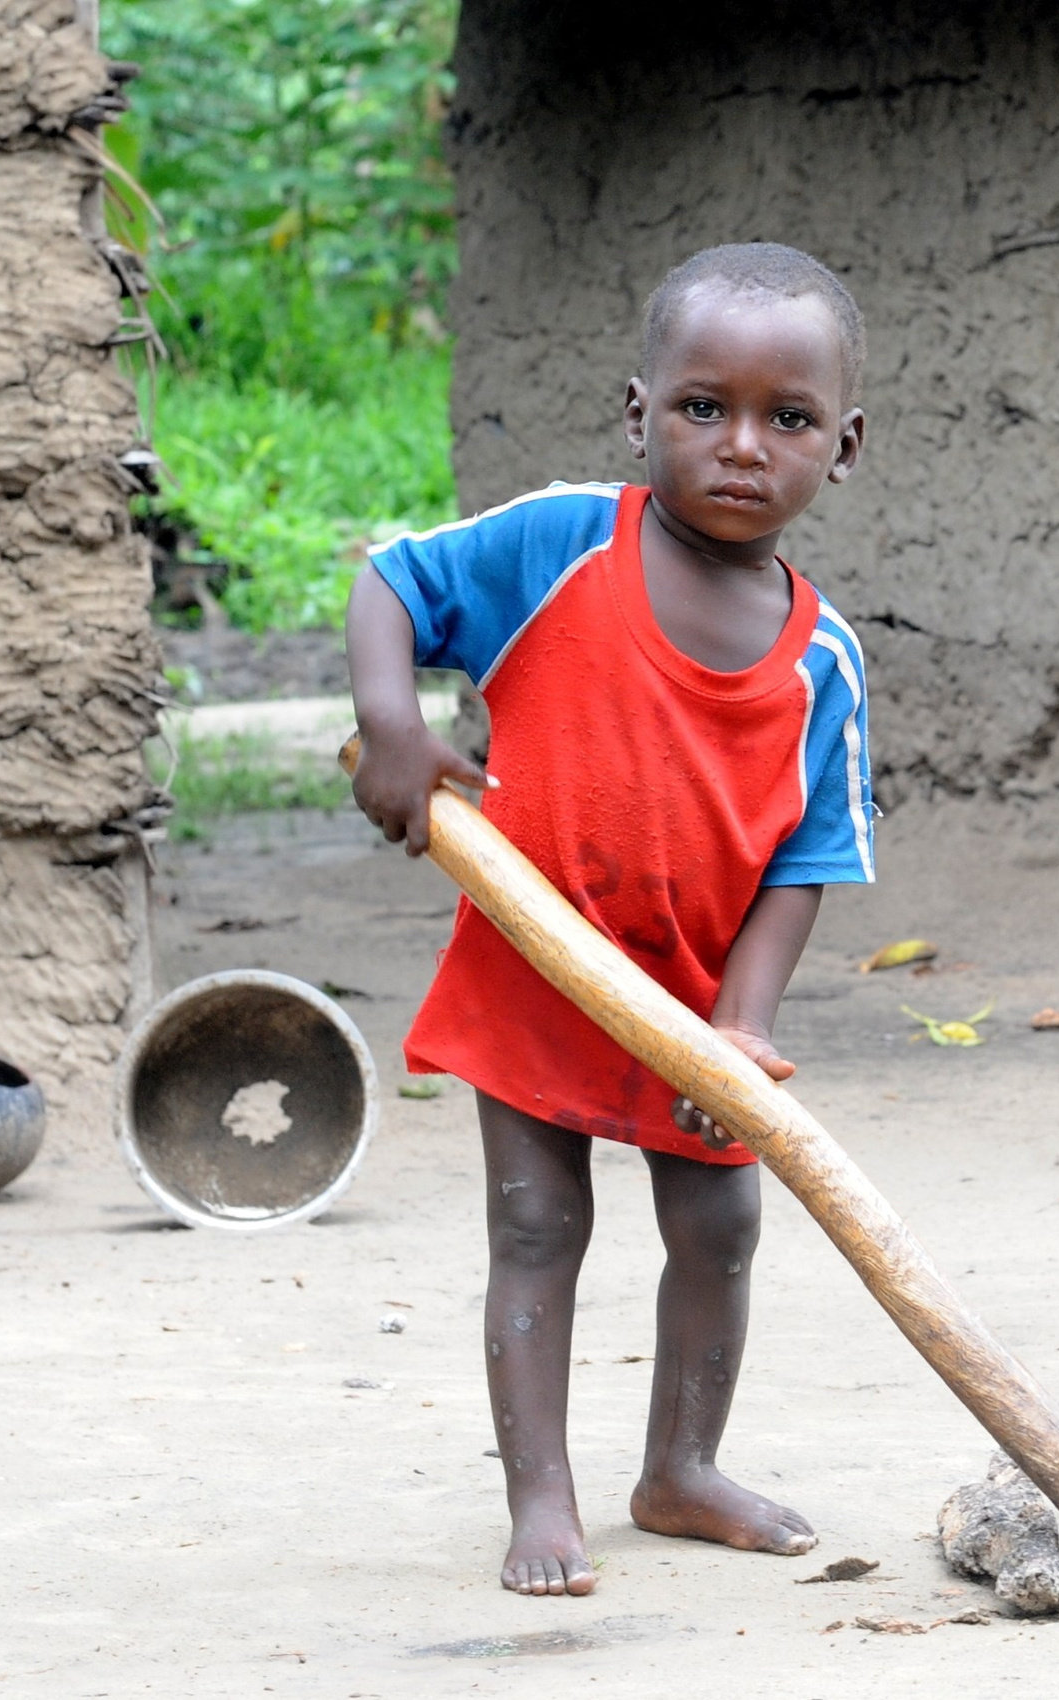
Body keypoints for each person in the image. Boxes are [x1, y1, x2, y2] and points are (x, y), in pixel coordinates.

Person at [344, 242, 874, 1597]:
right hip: (533, 977)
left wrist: (740, 1030)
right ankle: (543, 1498)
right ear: (640, 414)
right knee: (536, 1226)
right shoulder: (564, 544)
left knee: (721, 1232)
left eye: (788, 419)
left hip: (693, 1007)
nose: (742, 446)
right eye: (704, 407)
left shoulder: (824, 661)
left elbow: (805, 861)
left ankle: (679, 1471)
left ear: (844, 445)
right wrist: (395, 725)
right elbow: (393, 582)